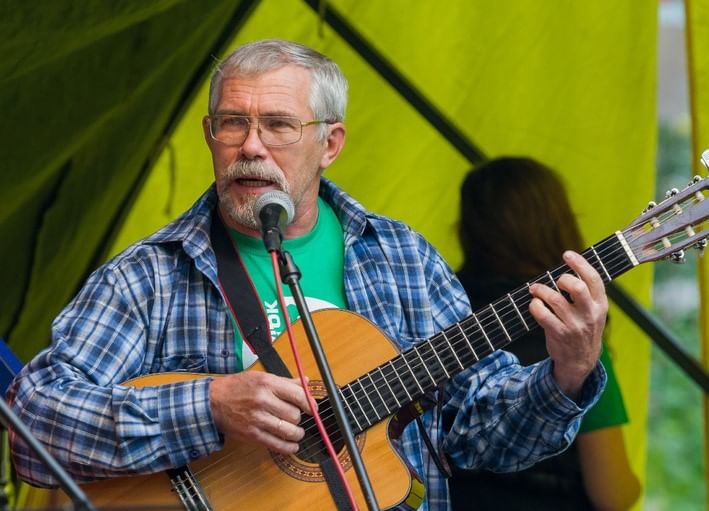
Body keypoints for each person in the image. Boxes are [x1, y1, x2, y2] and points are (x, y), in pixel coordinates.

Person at [7, 40, 609, 511]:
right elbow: (34, 422)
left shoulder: (402, 259)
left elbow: (483, 434)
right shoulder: (149, 276)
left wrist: (567, 373)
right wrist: (209, 407)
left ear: (330, 144)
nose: (251, 147)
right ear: (209, 136)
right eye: (231, 124)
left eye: (278, 125)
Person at [449, 157, 641, 510]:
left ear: (466, 229)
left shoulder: (439, 322)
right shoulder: (574, 336)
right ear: (559, 225)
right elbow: (612, 492)